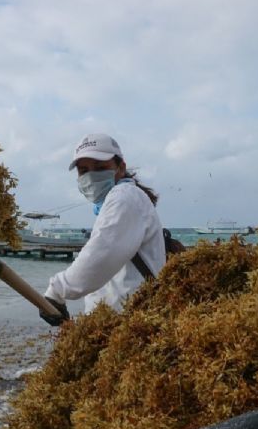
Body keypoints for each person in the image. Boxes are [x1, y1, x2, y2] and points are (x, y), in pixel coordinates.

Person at [40, 133, 166, 325]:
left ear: (120, 168)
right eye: (84, 171)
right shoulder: (114, 202)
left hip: (135, 326)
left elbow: (100, 255)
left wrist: (57, 291)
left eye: (100, 168)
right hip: (119, 323)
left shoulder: (124, 197)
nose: (91, 176)